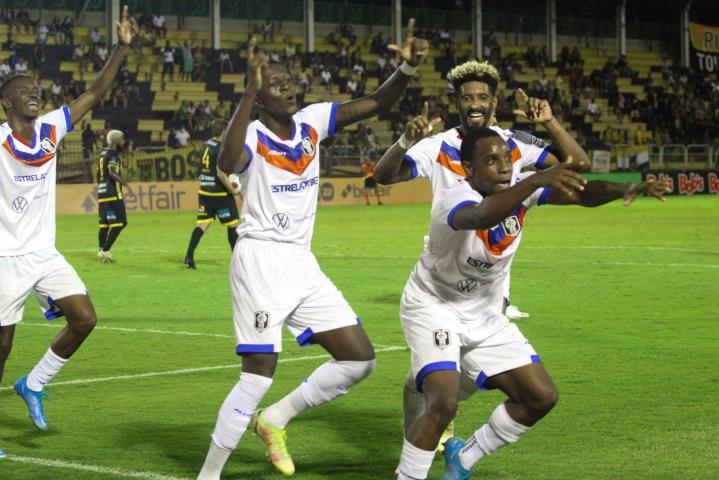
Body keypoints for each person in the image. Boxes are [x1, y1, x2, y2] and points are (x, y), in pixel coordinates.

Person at [196, 23, 429, 479]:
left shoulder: (313, 121)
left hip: (301, 261)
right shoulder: (255, 135)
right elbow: (225, 163)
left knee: (359, 358)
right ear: (260, 98)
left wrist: (407, 67)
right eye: (276, 84)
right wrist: (247, 94)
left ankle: (275, 419)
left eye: (289, 82)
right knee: (257, 373)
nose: (289, 88)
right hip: (261, 259)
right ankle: (209, 475)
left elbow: (378, 102)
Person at [396, 126, 670, 480]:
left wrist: (626, 188)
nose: (504, 168)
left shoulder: (521, 190)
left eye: (507, 159)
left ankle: (463, 459)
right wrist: (535, 180)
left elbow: (582, 192)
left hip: (483, 312)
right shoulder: (453, 197)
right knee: (444, 403)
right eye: (491, 161)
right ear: (468, 169)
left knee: (539, 396)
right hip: (433, 307)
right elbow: (482, 216)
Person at [0, 6, 137, 434]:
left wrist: (120, 48)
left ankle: (34, 383)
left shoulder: (51, 129)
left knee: (85, 318)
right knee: (1, 346)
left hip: (43, 253)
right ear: (6, 103)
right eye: (24, 91)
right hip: (5, 257)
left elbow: (95, 92)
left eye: (36, 88)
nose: (34, 94)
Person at [374, 60, 590, 325]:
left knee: (489, 354)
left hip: (494, 269)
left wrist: (550, 122)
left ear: (494, 102)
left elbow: (578, 164)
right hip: (446, 264)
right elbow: (383, 176)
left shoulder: (513, 142)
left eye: (482, 97)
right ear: (456, 103)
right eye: (467, 98)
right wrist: (405, 141)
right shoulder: (438, 146)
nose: (475, 104)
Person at [183, 123, 239, 269]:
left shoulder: (204, 144)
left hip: (204, 191)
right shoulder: (222, 148)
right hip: (220, 193)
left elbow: (200, 167)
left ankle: (189, 257)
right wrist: (232, 190)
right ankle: (237, 261)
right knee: (232, 224)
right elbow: (220, 173)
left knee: (202, 224)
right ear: (223, 132)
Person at [97, 130, 132, 263]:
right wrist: (125, 184)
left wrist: (101, 186)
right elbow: (112, 172)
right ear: (117, 141)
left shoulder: (102, 154)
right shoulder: (113, 155)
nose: (123, 142)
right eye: (122, 140)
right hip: (112, 193)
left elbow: (97, 173)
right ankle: (106, 250)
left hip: (102, 192)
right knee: (121, 222)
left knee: (105, 224)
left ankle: (101, 250)